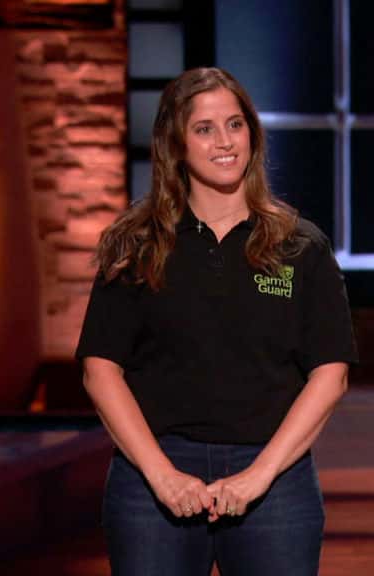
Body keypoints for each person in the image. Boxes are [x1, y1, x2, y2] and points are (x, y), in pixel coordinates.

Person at [76, 67, 357, 575]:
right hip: (152, 477)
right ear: (176, 144)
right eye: (204, 129)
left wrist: (258, 476)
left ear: (252, 133)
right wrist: (163, 476)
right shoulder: (136, 245)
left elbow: (331, 375)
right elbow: (100, 371)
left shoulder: (301, 246)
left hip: (274, 479)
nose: (225, 142)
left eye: (235, 124)